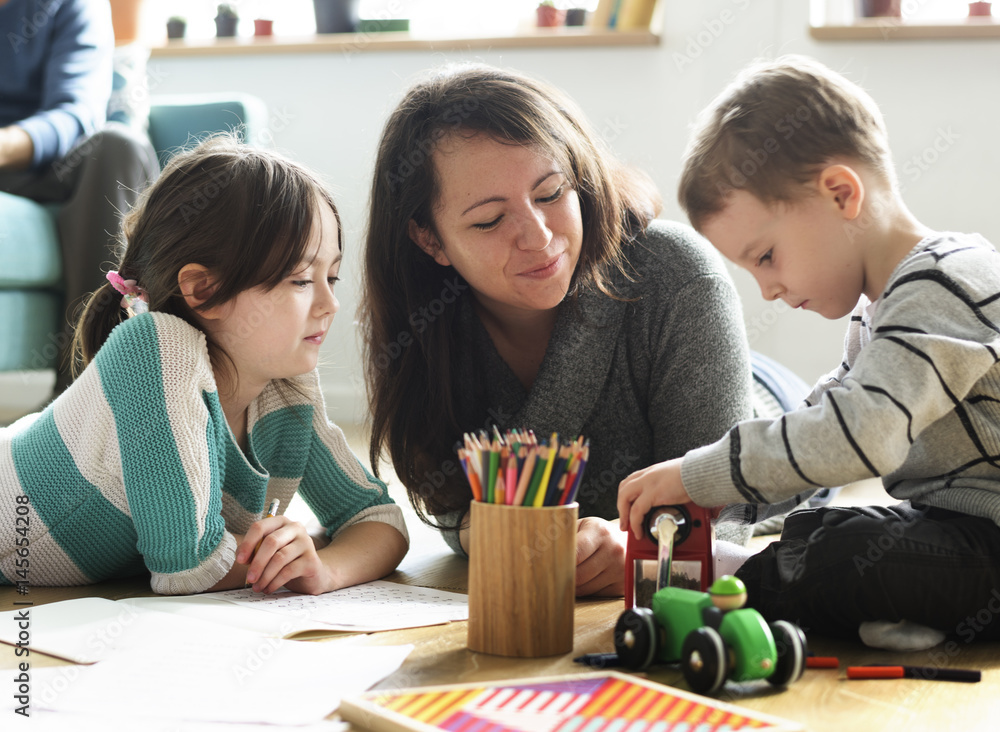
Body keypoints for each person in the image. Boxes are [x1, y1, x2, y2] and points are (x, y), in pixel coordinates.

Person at [618, 55, 1000, 649]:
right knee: (825, 530)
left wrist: (702, 474)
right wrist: (725, 497)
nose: (767, 289)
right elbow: (815, 431)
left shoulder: (946, 281)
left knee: (846, 553)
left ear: (841, 193)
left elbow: (858, 435)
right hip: (961, 533)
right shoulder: (881, 311)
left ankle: (736, 586)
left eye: (766, 257)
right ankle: (874, 604)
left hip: (990, 541)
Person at [360, 64, 757, 597]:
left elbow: (722, 511)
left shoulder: (679, 273)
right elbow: (453, 508)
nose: (538, 236)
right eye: (488, 221)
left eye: (551, 194)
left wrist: (637, 547)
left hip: (763, 409)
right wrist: (512, 535)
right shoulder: (421, 326)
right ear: (429, 240)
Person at [0, 136, 408, 595]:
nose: (330, 303)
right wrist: (287, 553)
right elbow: (189, 565)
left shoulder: (286, 384)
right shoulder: (156, 351)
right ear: (204, 290)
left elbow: (379, 518)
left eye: (331, 277)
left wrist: (323, 568)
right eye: (300, 279)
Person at [0, 0, 160, 391]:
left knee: (117, 146)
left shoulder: (69, 6)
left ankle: (89, 390)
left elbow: (76, 112)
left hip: (40, 164)